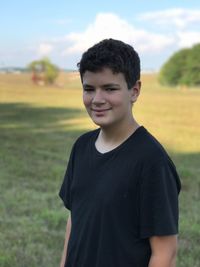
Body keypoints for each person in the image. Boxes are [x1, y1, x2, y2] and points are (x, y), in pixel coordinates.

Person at [59, 38, 181, 267]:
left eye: (109, 88)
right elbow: (75, 219)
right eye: (89, 89)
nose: (97, 99)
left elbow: (165, 253)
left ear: (134, 91)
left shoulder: (151, 161)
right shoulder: (81, 147)